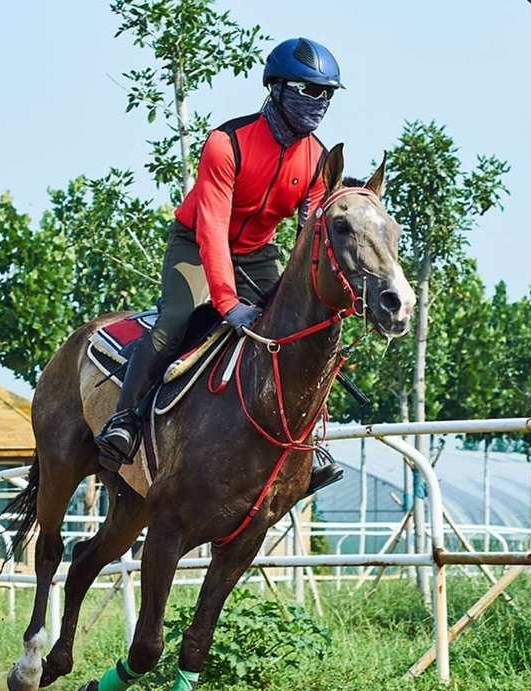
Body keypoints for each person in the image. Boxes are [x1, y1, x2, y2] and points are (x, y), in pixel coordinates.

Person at [95, 37, 345, 495]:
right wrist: (228, 304)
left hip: (257, 253)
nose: (320, 102)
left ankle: (305, 447)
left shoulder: (317, 159)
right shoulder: (225, 143)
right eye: (309, 91)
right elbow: (211, 228)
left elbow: (309, 233)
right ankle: (125, 423)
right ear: (277, 88)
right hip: (195, 244)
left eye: (327, 94)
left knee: (297, 333)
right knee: (173, 323)